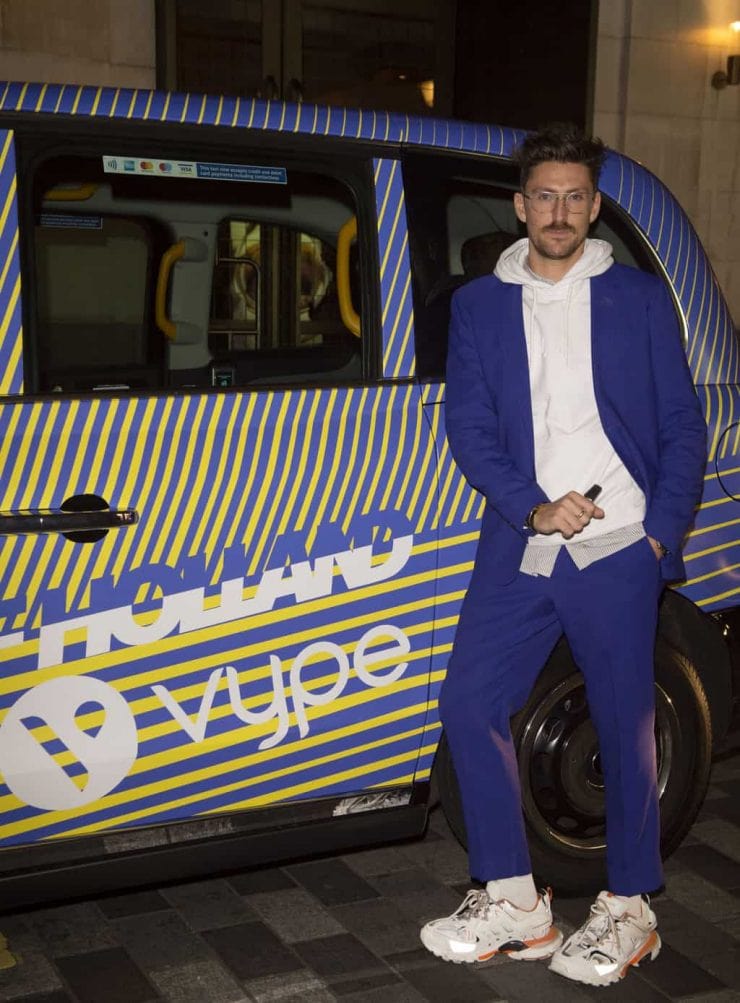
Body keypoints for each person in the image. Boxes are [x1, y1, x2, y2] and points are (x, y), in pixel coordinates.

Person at [420, 122, 707, 987]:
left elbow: (680, 428)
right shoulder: (478, 306)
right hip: (524, 540)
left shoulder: (639, 300)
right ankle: (516, 902)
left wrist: (659, 529)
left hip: (619, 542)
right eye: (544, 195)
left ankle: (630, 909)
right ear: (518, 205)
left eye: (576, 196)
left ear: (593, 207)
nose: (560, 211)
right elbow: (468, 427)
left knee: (625, 724)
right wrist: (530, 506)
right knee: (470, 699)